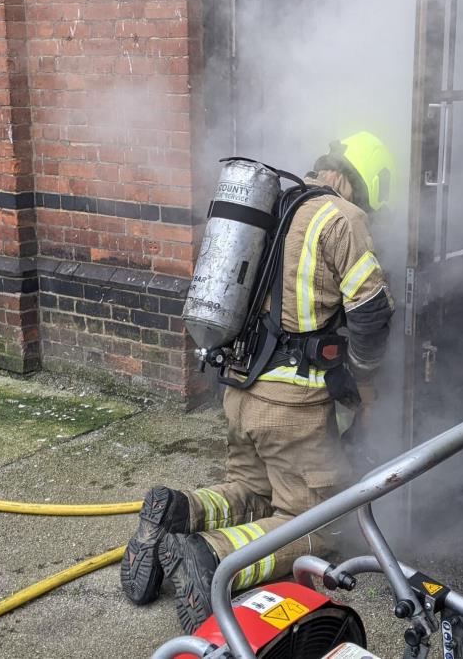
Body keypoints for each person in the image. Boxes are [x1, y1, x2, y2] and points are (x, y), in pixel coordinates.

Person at [120, 131, 396, 633]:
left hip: (240, 390)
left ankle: (178, 511)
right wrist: (366, 383)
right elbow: (372, 313)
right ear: (356, 183)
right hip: (293, 407)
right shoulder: (341, 218)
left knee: (251, 488)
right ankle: (211, 556)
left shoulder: (273, 205)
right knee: (317, 523)